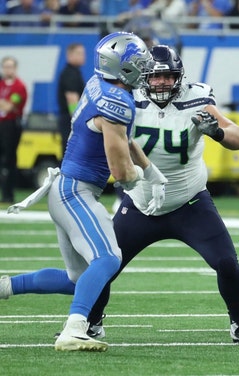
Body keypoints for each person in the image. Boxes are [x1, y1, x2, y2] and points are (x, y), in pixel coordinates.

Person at [83, 45, 239, 345]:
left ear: (179, 77)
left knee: (227, 263)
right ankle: (91, 323)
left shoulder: (196, 98)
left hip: (190, 201)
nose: (161, 83)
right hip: (141, 202)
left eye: (168, 77)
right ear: (143, 77)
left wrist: (216, 132)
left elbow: (238, 139)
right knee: (105, 264)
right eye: (155, 78)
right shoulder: (126, 99)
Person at [0, 31, 167, 352]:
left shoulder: (102, 86)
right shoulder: (117, 100)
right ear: (122, 67)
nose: (146, 68)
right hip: (76, 191)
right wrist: (135, 178)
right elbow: (118, 169)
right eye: (139, 62)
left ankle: (4, 286)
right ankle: (74, 329)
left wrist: (150, 169)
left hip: (65, 188)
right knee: (107, 259)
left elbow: (121, 136)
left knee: (78, 279)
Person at [0, 56, 27, 204]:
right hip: (2, 122)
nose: (7, 70)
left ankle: (8, 194)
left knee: (8, 159)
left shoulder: (19, 86)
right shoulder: (1, 84)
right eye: (5, 67)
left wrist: (5, 103)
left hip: (11, 124)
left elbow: (9, 106)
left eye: (10, 67)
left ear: (15, 68)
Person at [57, 43, 86, 156]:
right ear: (69, 55)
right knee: (70, 152)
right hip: (70, 121)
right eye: (79, 53)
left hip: (69, 120)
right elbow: (72, 100)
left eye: (83, 53)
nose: (83, 56)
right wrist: (77, 121)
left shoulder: (75, 72)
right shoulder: (70, 74)